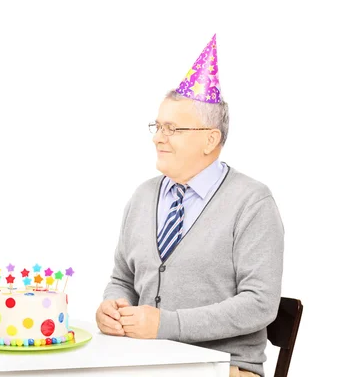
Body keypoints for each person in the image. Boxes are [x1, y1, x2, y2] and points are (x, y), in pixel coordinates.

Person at [96, 35, 283, 377]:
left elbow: (260, 304)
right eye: (157, 126)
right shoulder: (142, 197)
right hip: (144, 362)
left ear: (211, 139)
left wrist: (167, 324)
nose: (157, 137)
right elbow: (122, 277)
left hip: (225, 368)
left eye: (172, 129)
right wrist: (114, 306)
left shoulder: (252, 202)